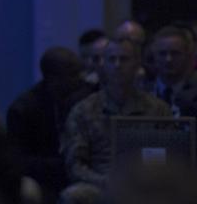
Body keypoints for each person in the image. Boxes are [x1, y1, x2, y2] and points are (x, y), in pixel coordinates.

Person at [62, 39, 171, 188]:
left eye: (124, 59)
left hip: (146, 184)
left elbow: (168, 158)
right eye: (112, 59)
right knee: (74, 197)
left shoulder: (158, 109)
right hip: (98, 184)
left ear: (137, 64)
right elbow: (75, 165)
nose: (117, 65)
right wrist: (106, 182)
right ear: (104, 65)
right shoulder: (84, 110)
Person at [7, 47, 91, 204]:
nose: (81, 79)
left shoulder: (84, 99)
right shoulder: (23, 110)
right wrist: (61, 166)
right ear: (54, 78)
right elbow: (19, 162)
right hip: (43, 182)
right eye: (73, 74)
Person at [150, 26, 197, 113]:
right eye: (162, 53)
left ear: (187, 55)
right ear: (154, 56)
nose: (168, 59)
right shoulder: (144, 90)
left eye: (175, 53)